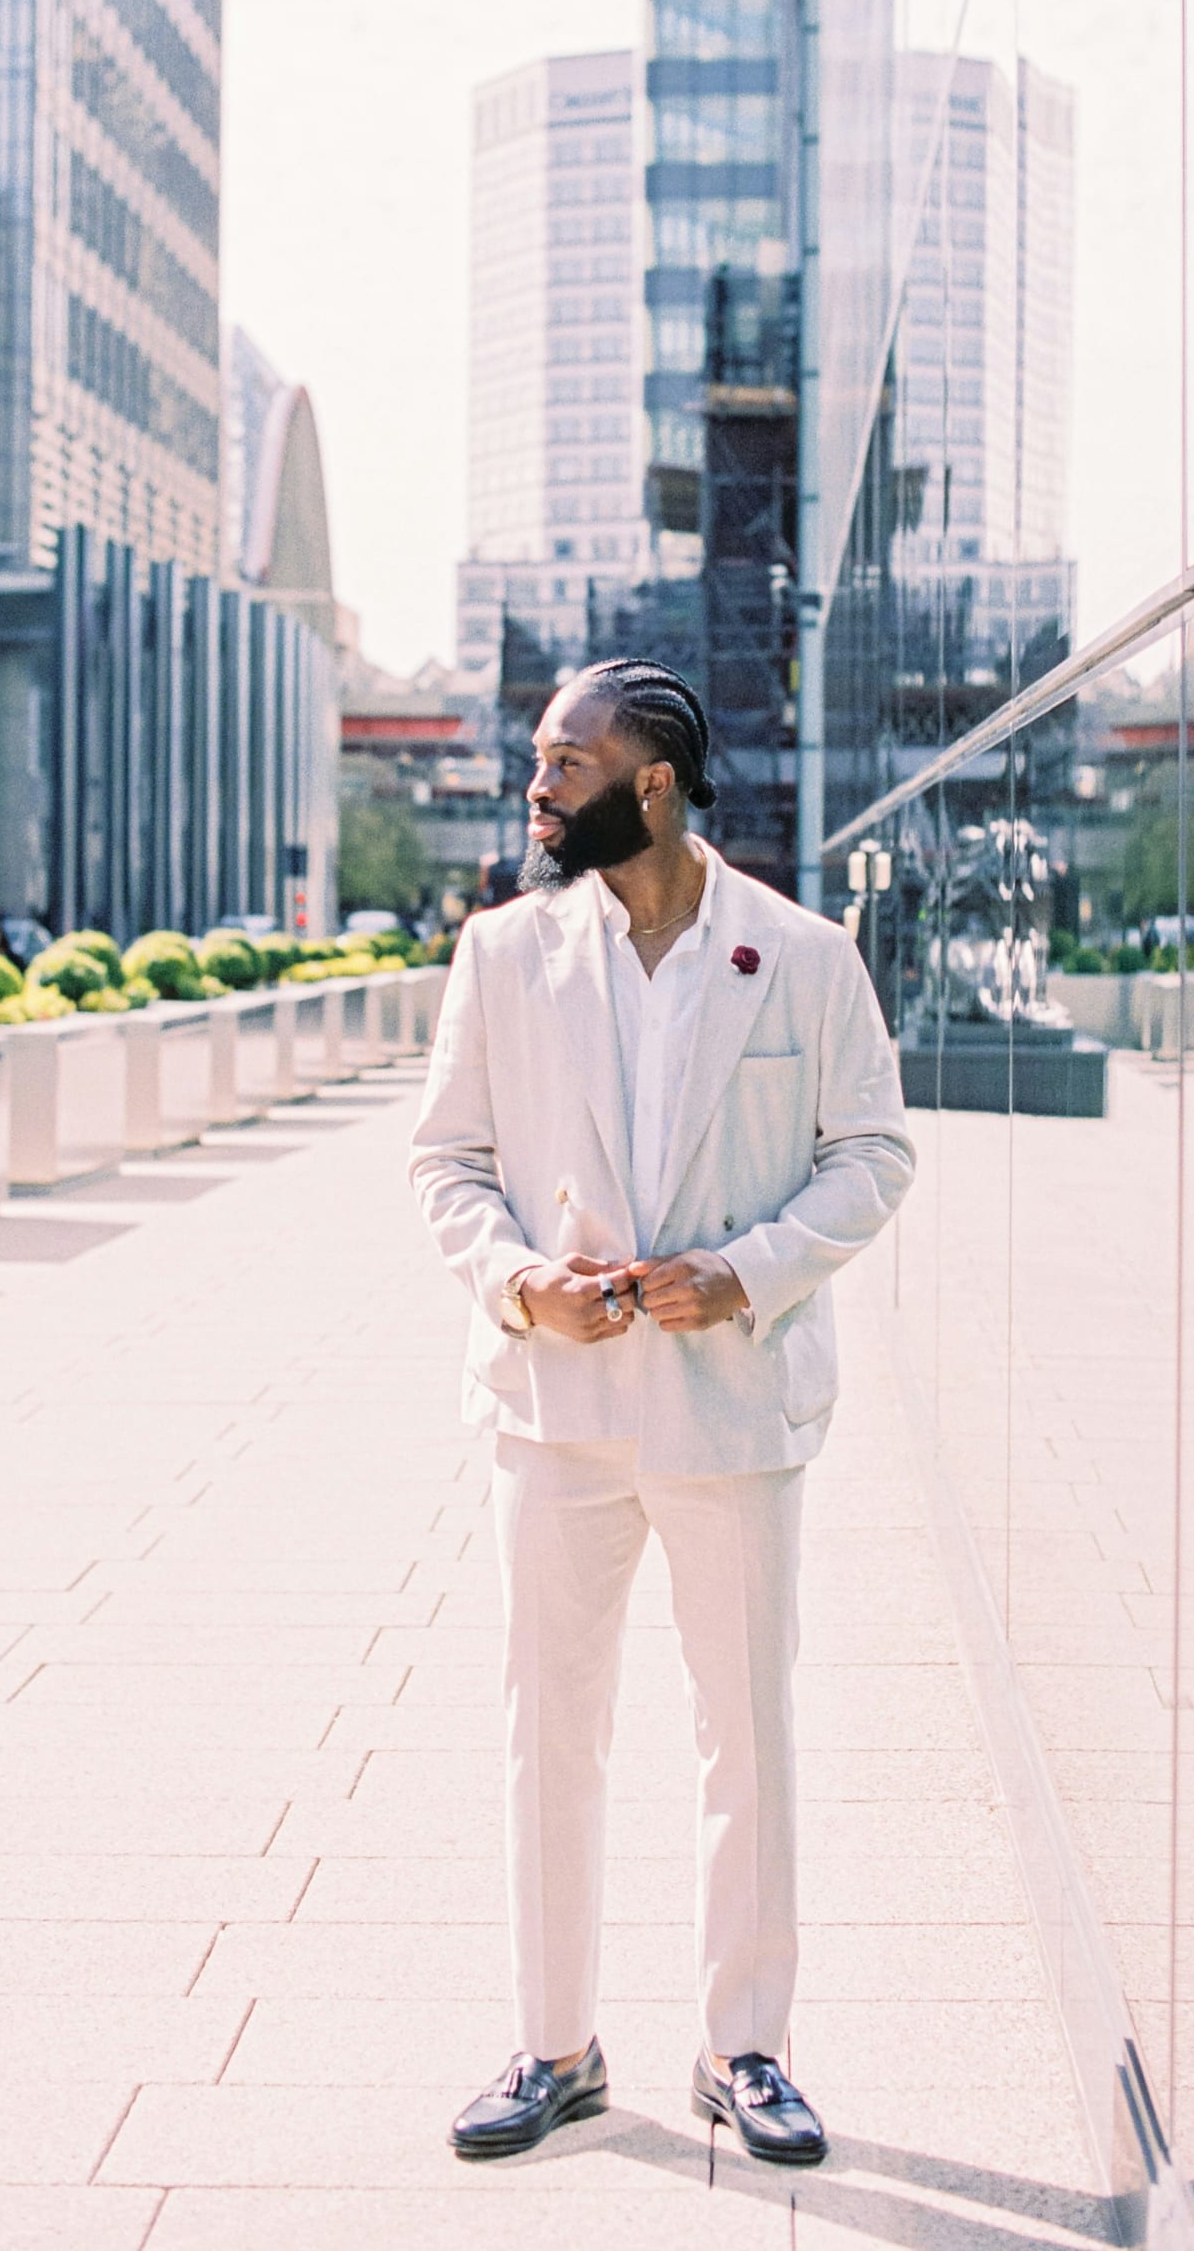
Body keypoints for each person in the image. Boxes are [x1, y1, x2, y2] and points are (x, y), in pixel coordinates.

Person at [410, 657, 914, 2169]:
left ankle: (744, 2048)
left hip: (734, 1410)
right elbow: (445, 1164)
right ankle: (555, 2046)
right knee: (548, 1734)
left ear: (654, 783)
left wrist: (746, 1274)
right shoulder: (502, 953)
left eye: (566, 761)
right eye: (539, 761)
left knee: (743, 1737)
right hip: (555, 1408)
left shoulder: (803, 954)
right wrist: (514, 1284)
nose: (538, 785)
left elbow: (872, 1155)